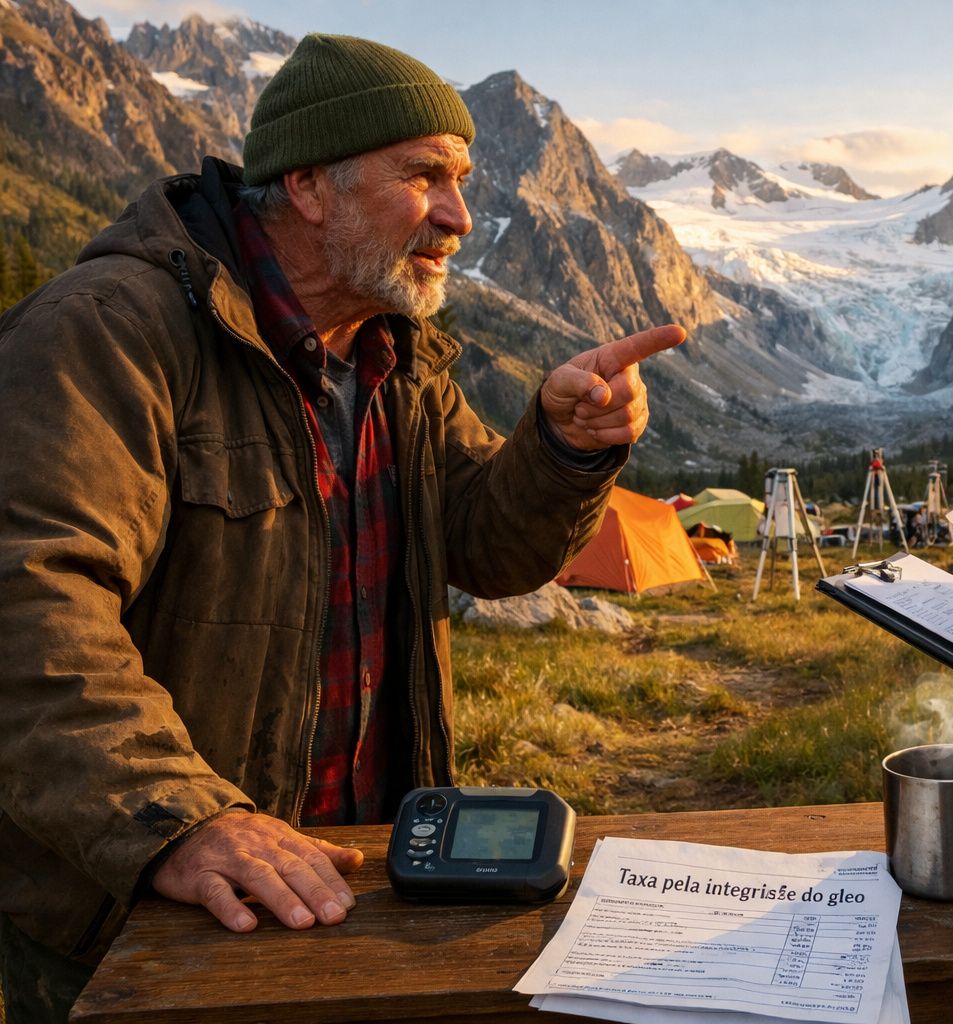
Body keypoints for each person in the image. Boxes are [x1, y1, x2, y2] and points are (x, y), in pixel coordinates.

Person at [0, 34, 684, 1022]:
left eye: (463, 180)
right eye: (426, 177)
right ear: (313, 185)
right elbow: (28, 609)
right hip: (138, 918)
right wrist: (183, 821)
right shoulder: (113, 331)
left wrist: (561, 448)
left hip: (346, 887)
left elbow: (485, 547)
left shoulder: (390, 362)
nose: (460, 214)